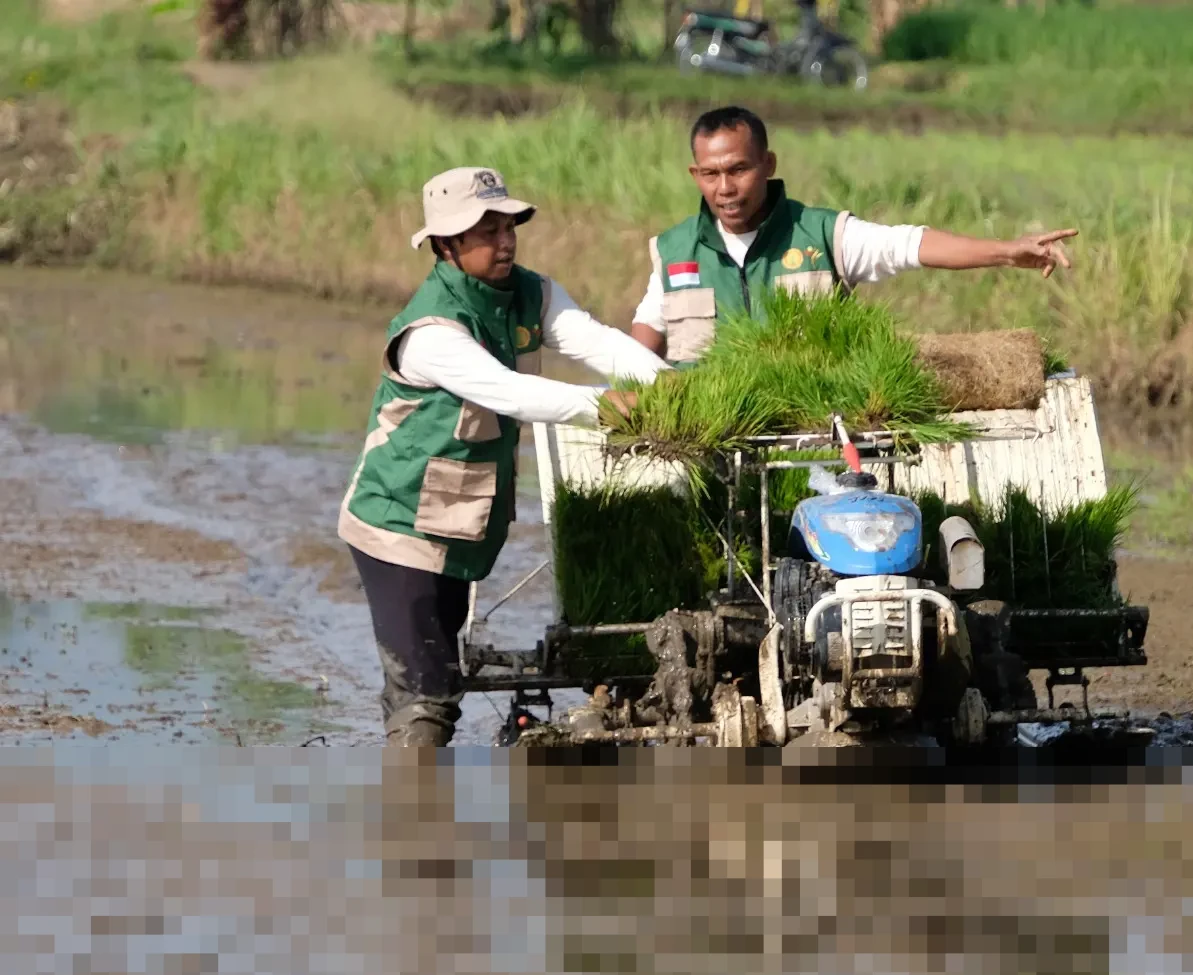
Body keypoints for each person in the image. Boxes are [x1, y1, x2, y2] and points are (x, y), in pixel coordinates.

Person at [339, 165, 671, 747]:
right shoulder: (431, 330)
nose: (505, 239)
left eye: (508, 224)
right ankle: (410, 817)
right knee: (424, 700)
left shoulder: (530, 292)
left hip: (462, 519)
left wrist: (676, 390)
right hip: (396, 523)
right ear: (446, 245)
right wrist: (605, 406)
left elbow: (593, 340)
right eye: (485, 230)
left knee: (444, 681)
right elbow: (508, 391)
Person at [629, 106, 1076, 364]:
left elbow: (909, 245)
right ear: (695, 174)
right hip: (714, 448)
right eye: (711, 174)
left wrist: (1007, 251)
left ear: (768, 165)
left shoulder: (822, 234)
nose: (724, 188)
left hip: (812, 436)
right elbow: (641, 350)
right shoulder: (672, 252)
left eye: (739, 170)